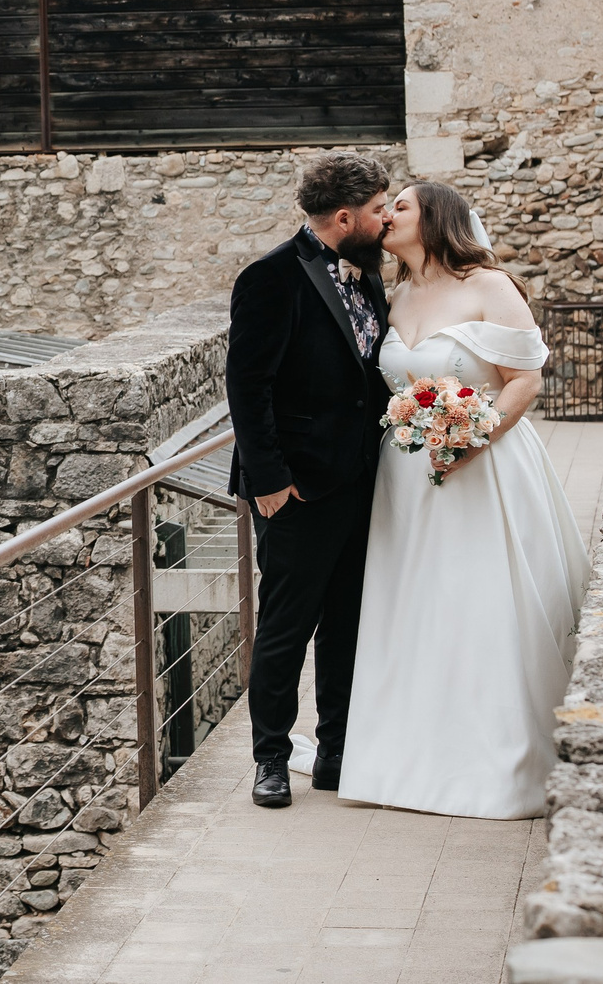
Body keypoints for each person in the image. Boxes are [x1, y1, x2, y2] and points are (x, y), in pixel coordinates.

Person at [335, 181, 593, 819]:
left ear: (436, 220)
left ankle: (497, 766)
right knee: (413, 609)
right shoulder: (395, 294)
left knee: (479, 603)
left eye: (401, 206)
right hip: (404, 481)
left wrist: (471, 436)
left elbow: (525, 379)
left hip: (483, 468)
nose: (387, 215)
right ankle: (404, 760)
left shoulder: (488, 285)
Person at [225, 152, 394, 810]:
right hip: (295, 488)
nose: (385, 220)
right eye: (379, 210)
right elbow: (248, 383)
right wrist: (268, 478)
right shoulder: (270, 277)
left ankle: (336, 753)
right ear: (346, 215)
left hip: (362, 481)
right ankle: (271, 756)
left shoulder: (371, 273)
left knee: (347, 624)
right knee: (285, 628)